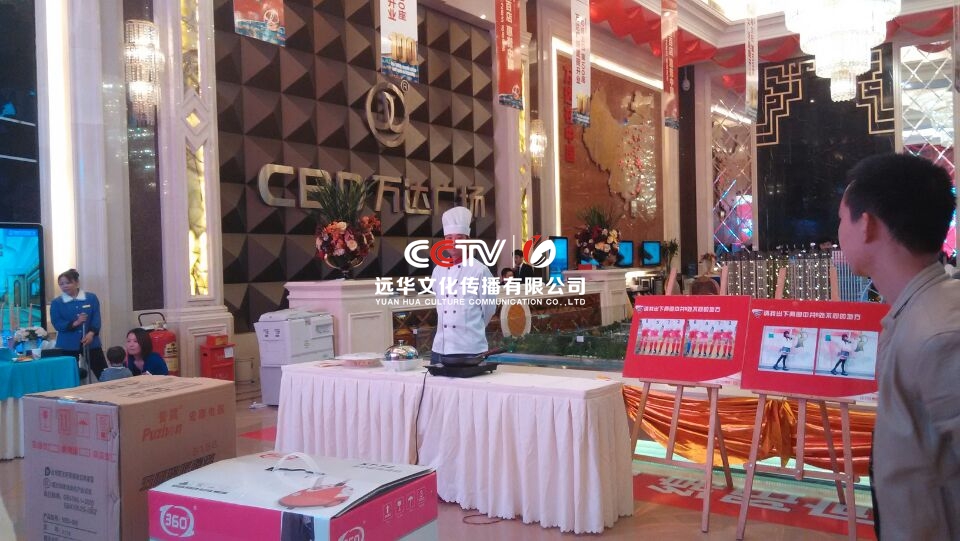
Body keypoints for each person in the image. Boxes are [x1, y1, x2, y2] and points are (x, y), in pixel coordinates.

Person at [837, 153, 959, 539]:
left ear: (867, 225)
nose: (838, 232)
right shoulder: (918, 311)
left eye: (842, 219)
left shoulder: (940, 336)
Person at [430, 206, 496, 365]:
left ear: (467, 240)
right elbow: (439, 303)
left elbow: (489, 309)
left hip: (469, 348)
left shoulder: (480, 270)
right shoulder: (438, 270)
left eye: (459, 238)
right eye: (449, 238)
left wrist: (471, 330)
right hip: (440, 347)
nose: (453, 243)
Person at [49, 269, 107, 380]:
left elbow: (96, 318)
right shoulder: (57, 303)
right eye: (61, 284)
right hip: (67, 343)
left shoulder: (91, 298)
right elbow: (57, 323)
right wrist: (76, 323)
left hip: (90, 341)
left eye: (68, 282)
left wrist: (91, 334)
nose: (65, 286)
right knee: (67, 376)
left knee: (102, 371)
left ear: (76, 282)